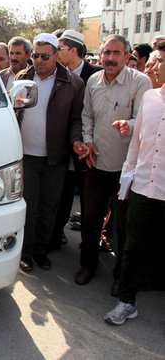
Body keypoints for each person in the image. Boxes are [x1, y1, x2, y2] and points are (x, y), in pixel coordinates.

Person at [73, 35, 152, 287]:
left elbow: (144, 120)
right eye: (106, 52)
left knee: (122, 226)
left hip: (127, 168)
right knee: (90, 219)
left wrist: (128, 125)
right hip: (95, 163)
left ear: (127, 57)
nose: (109, 58)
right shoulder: (94, 80)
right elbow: (86, 116)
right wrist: (87, 140)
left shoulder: (141, 82)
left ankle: (121, 277)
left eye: (116, 53)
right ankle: (87, 265)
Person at [103, 40, 165, 325]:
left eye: (157, 62)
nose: (150, 66)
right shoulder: (150, 99)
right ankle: (127, 302)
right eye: (150, 61)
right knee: (131, 247)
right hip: (142, 187)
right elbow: (137, 145)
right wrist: (126, 183)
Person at [15, 33, 85, 272]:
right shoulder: (23, 78)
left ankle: (41, 251)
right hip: (27, 156)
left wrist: (76, 140)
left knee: (49, 208)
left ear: (57, 55)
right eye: (35, 55)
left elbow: (77, 119)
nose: (39, 60)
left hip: (55, 158)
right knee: (30, 207)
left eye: (45, 56)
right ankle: (25, 252)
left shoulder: (73, 83)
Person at [50, 30, 102, 250]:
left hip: (91, 149)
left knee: (91, 201)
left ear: (73, 50)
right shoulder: (56, 74)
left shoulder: (96, 75)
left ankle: (90, 246)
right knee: (61, 194)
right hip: (64, 147)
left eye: (59, 49)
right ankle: (55, 235)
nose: (56, 54)